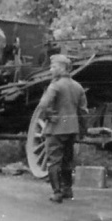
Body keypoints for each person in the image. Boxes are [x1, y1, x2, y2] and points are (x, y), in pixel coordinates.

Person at [34, 54, 88, 203]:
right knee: (67, 161)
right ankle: (67, 190)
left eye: (54, 67)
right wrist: (83, 130)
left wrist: (48, 116)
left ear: (63, 68)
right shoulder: (78, 86)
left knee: (54, 161)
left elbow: (43, 105)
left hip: (56, 129)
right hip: (71, 129)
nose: (51, 70)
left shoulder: (55, 85)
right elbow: (83, 112)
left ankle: (57, 193)